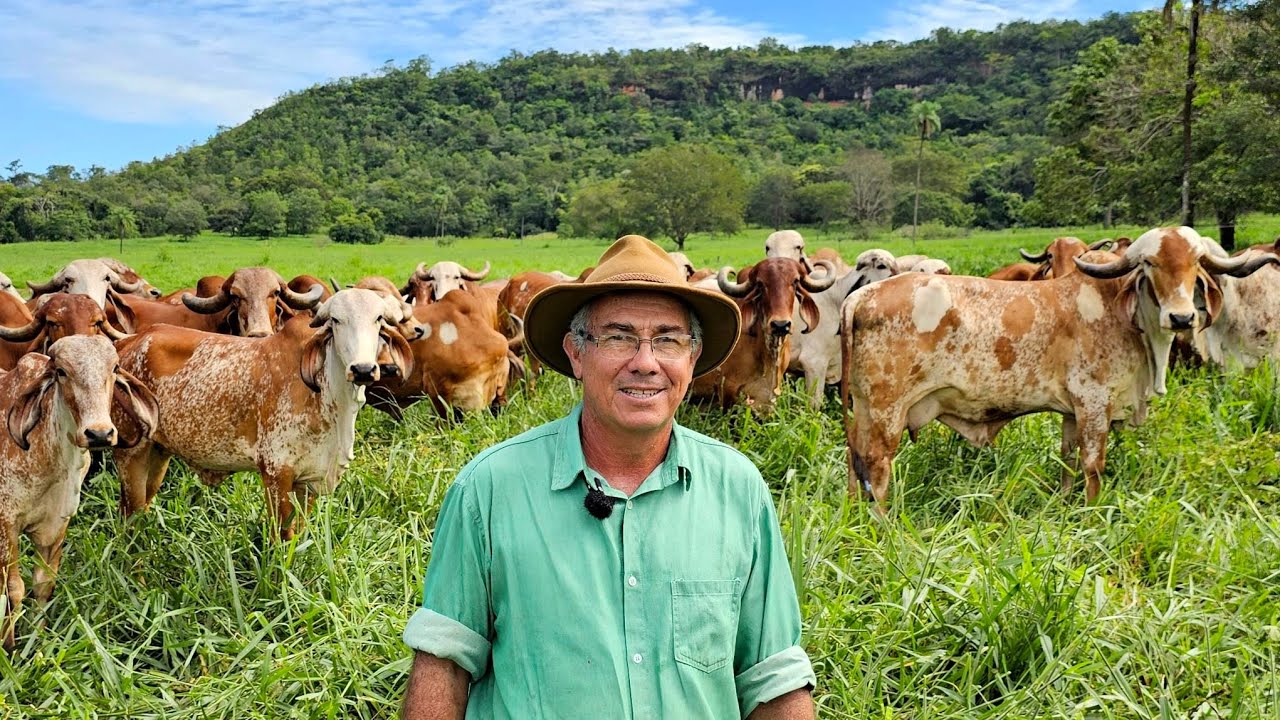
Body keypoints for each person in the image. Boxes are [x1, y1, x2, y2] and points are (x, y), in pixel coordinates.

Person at [401, 235, 816, 719]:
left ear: (692, 358)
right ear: (576, 354)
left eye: (668, 339)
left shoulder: (738, 489)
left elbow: (772, 676)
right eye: (618, 337)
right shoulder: (488, 489)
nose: (645, 363)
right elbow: (445, 665)